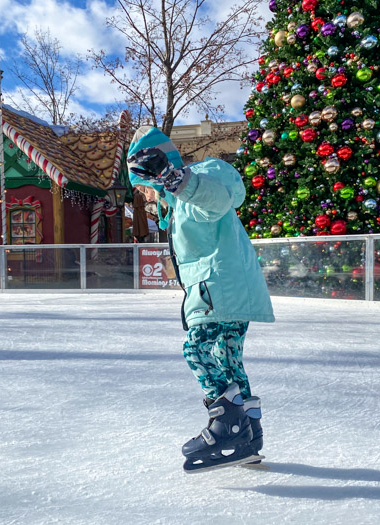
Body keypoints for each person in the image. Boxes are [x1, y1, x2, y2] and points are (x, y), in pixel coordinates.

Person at [127, 127, 275, 473]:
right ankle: (250, 435)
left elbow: (217, 200)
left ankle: (228, 427)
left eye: (143, 187)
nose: (146, 196)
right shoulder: (178, 205)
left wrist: (172, 179)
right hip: (224, 287)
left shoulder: (195, 182)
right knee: (228, 362)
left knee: (198, 351)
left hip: (218, 287)